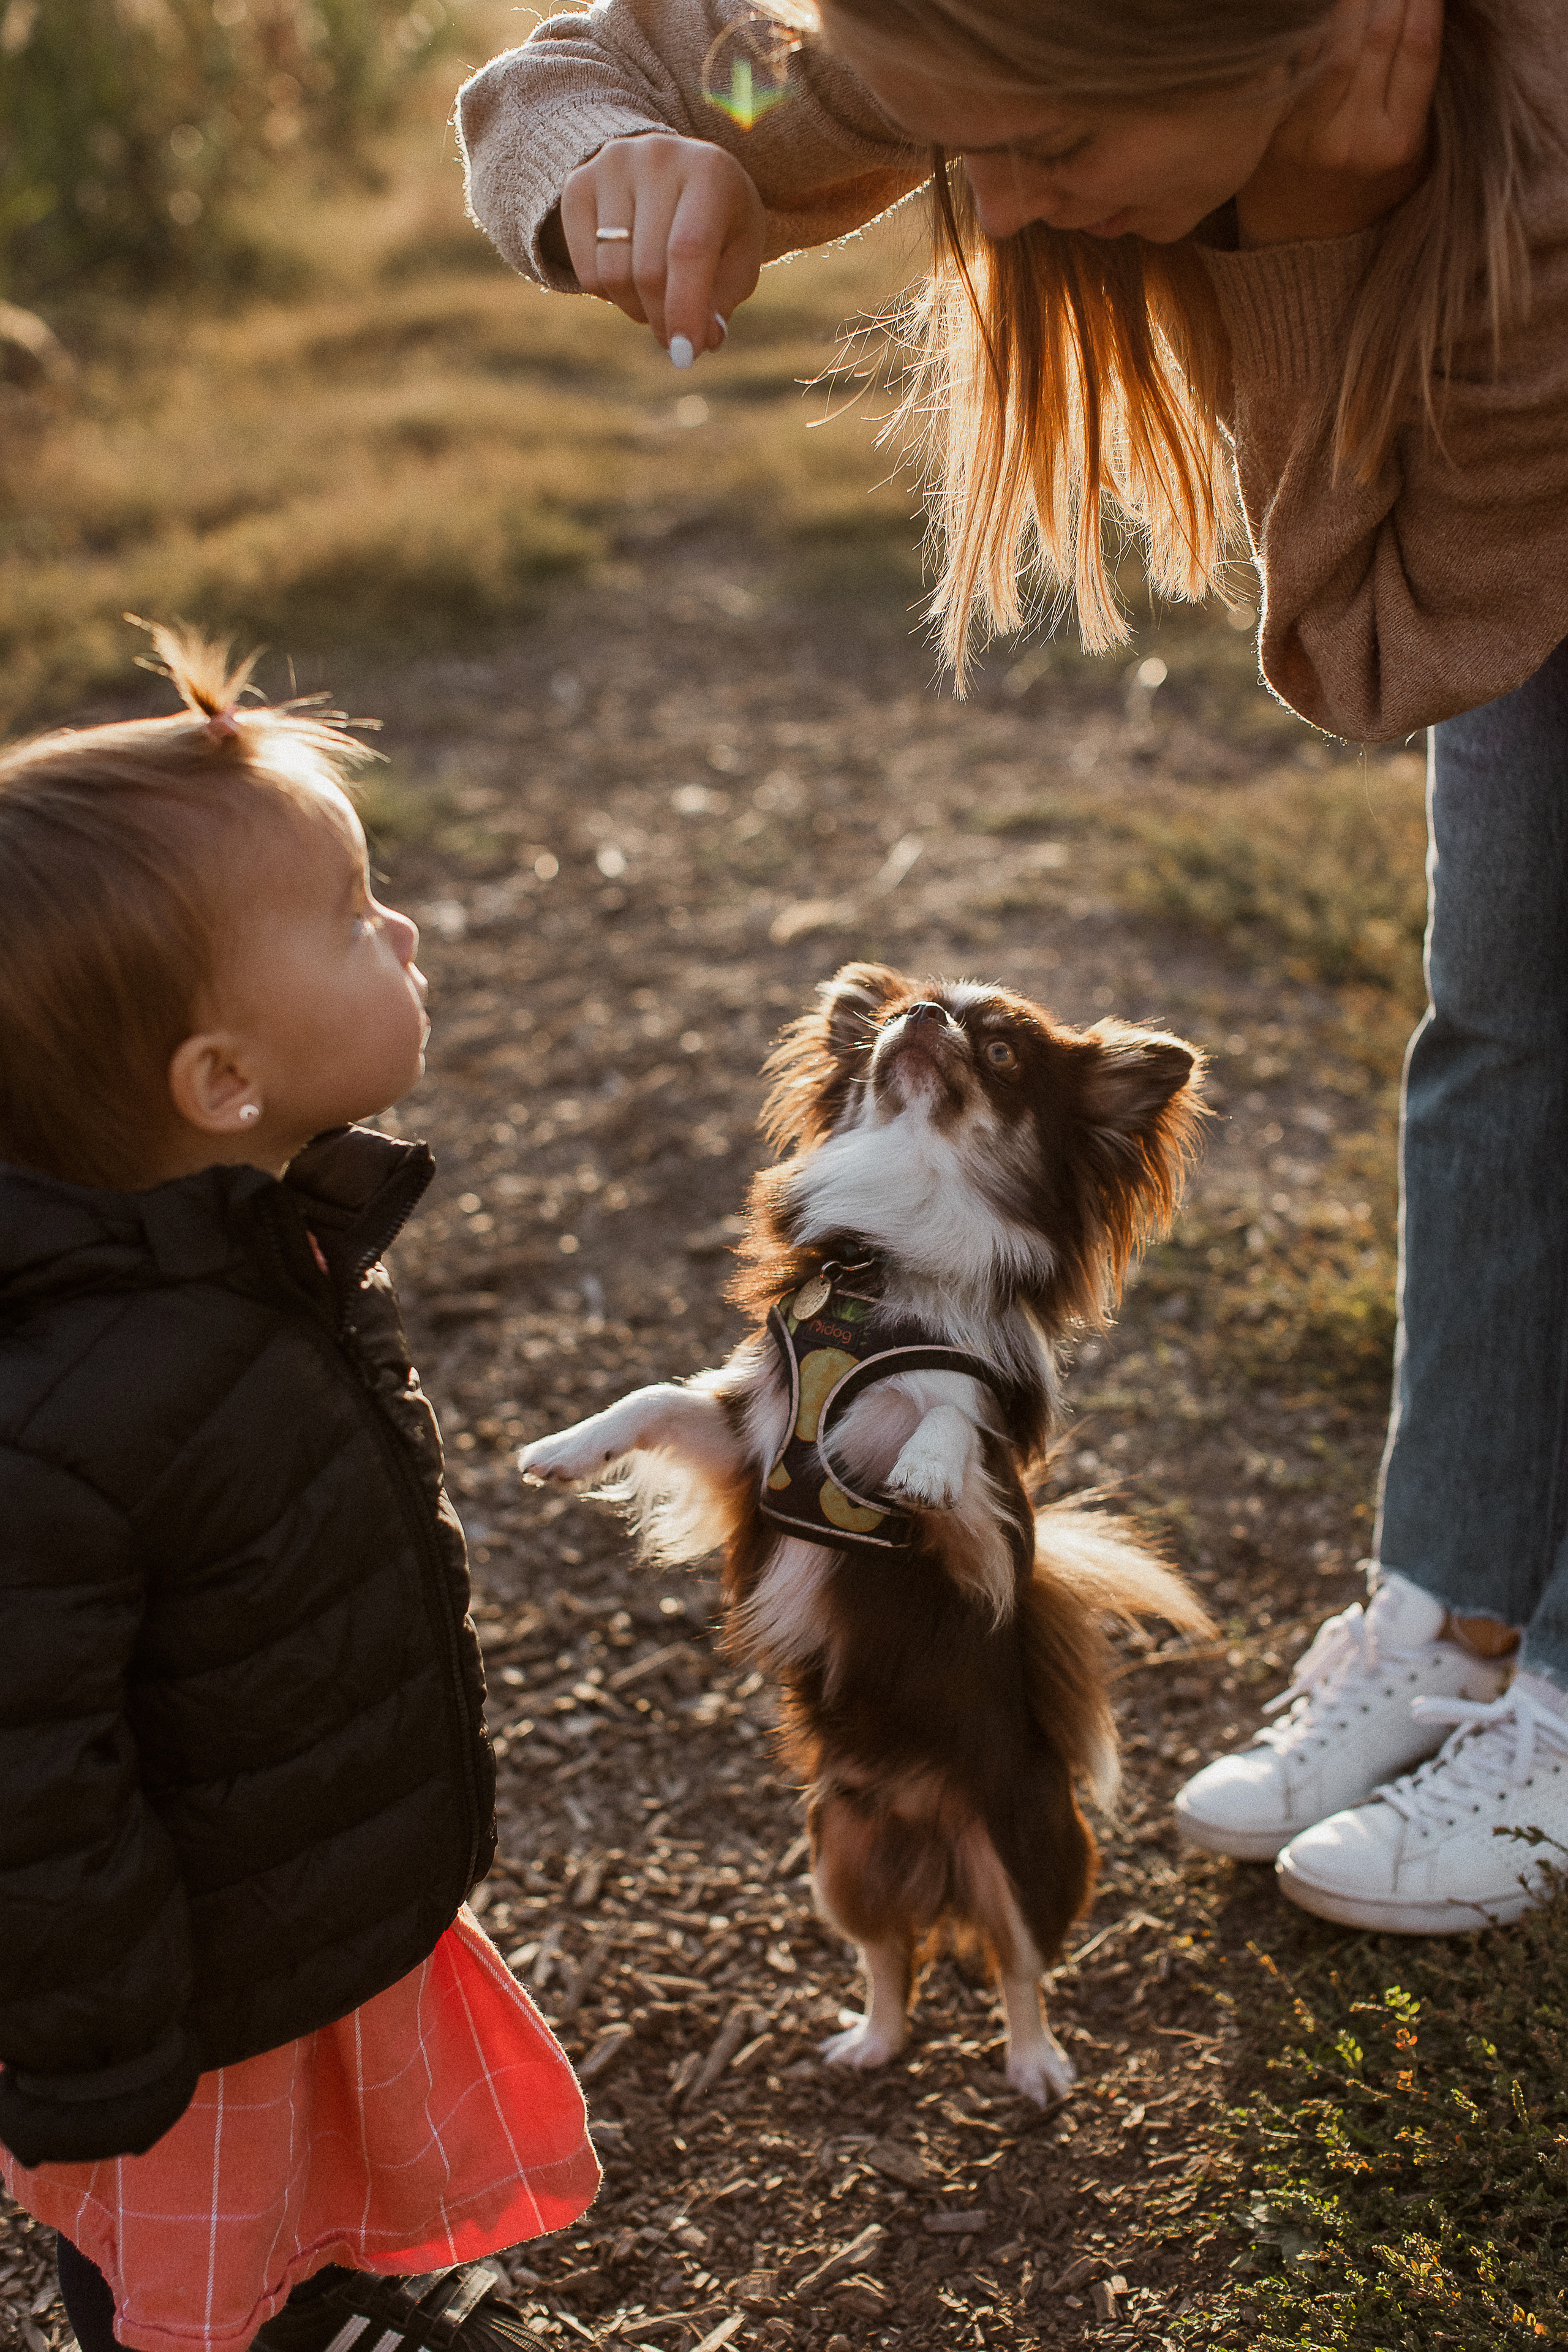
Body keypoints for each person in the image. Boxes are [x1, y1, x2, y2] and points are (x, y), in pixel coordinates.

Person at [457, 0, 1568, 1935]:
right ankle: (1453, 1611)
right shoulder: (970, 53)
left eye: (1045, 157)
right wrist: (621, 171)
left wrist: (1321, 220)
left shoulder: (1514, 158)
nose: (992, 210)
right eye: (965, 149)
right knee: (1503, 1028)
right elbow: (601, 77)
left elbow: (1398, 635)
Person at [0, 629, 597, 2352]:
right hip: (177, 1999)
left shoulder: (244, 1254)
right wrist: (100, 2032)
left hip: (280, 1894)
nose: (399, 929)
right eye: (350, 914)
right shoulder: (71, 1405)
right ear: (220, 1085)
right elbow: (22, 1767)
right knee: (178, 2269)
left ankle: (330, 2293)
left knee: (302, 2183)